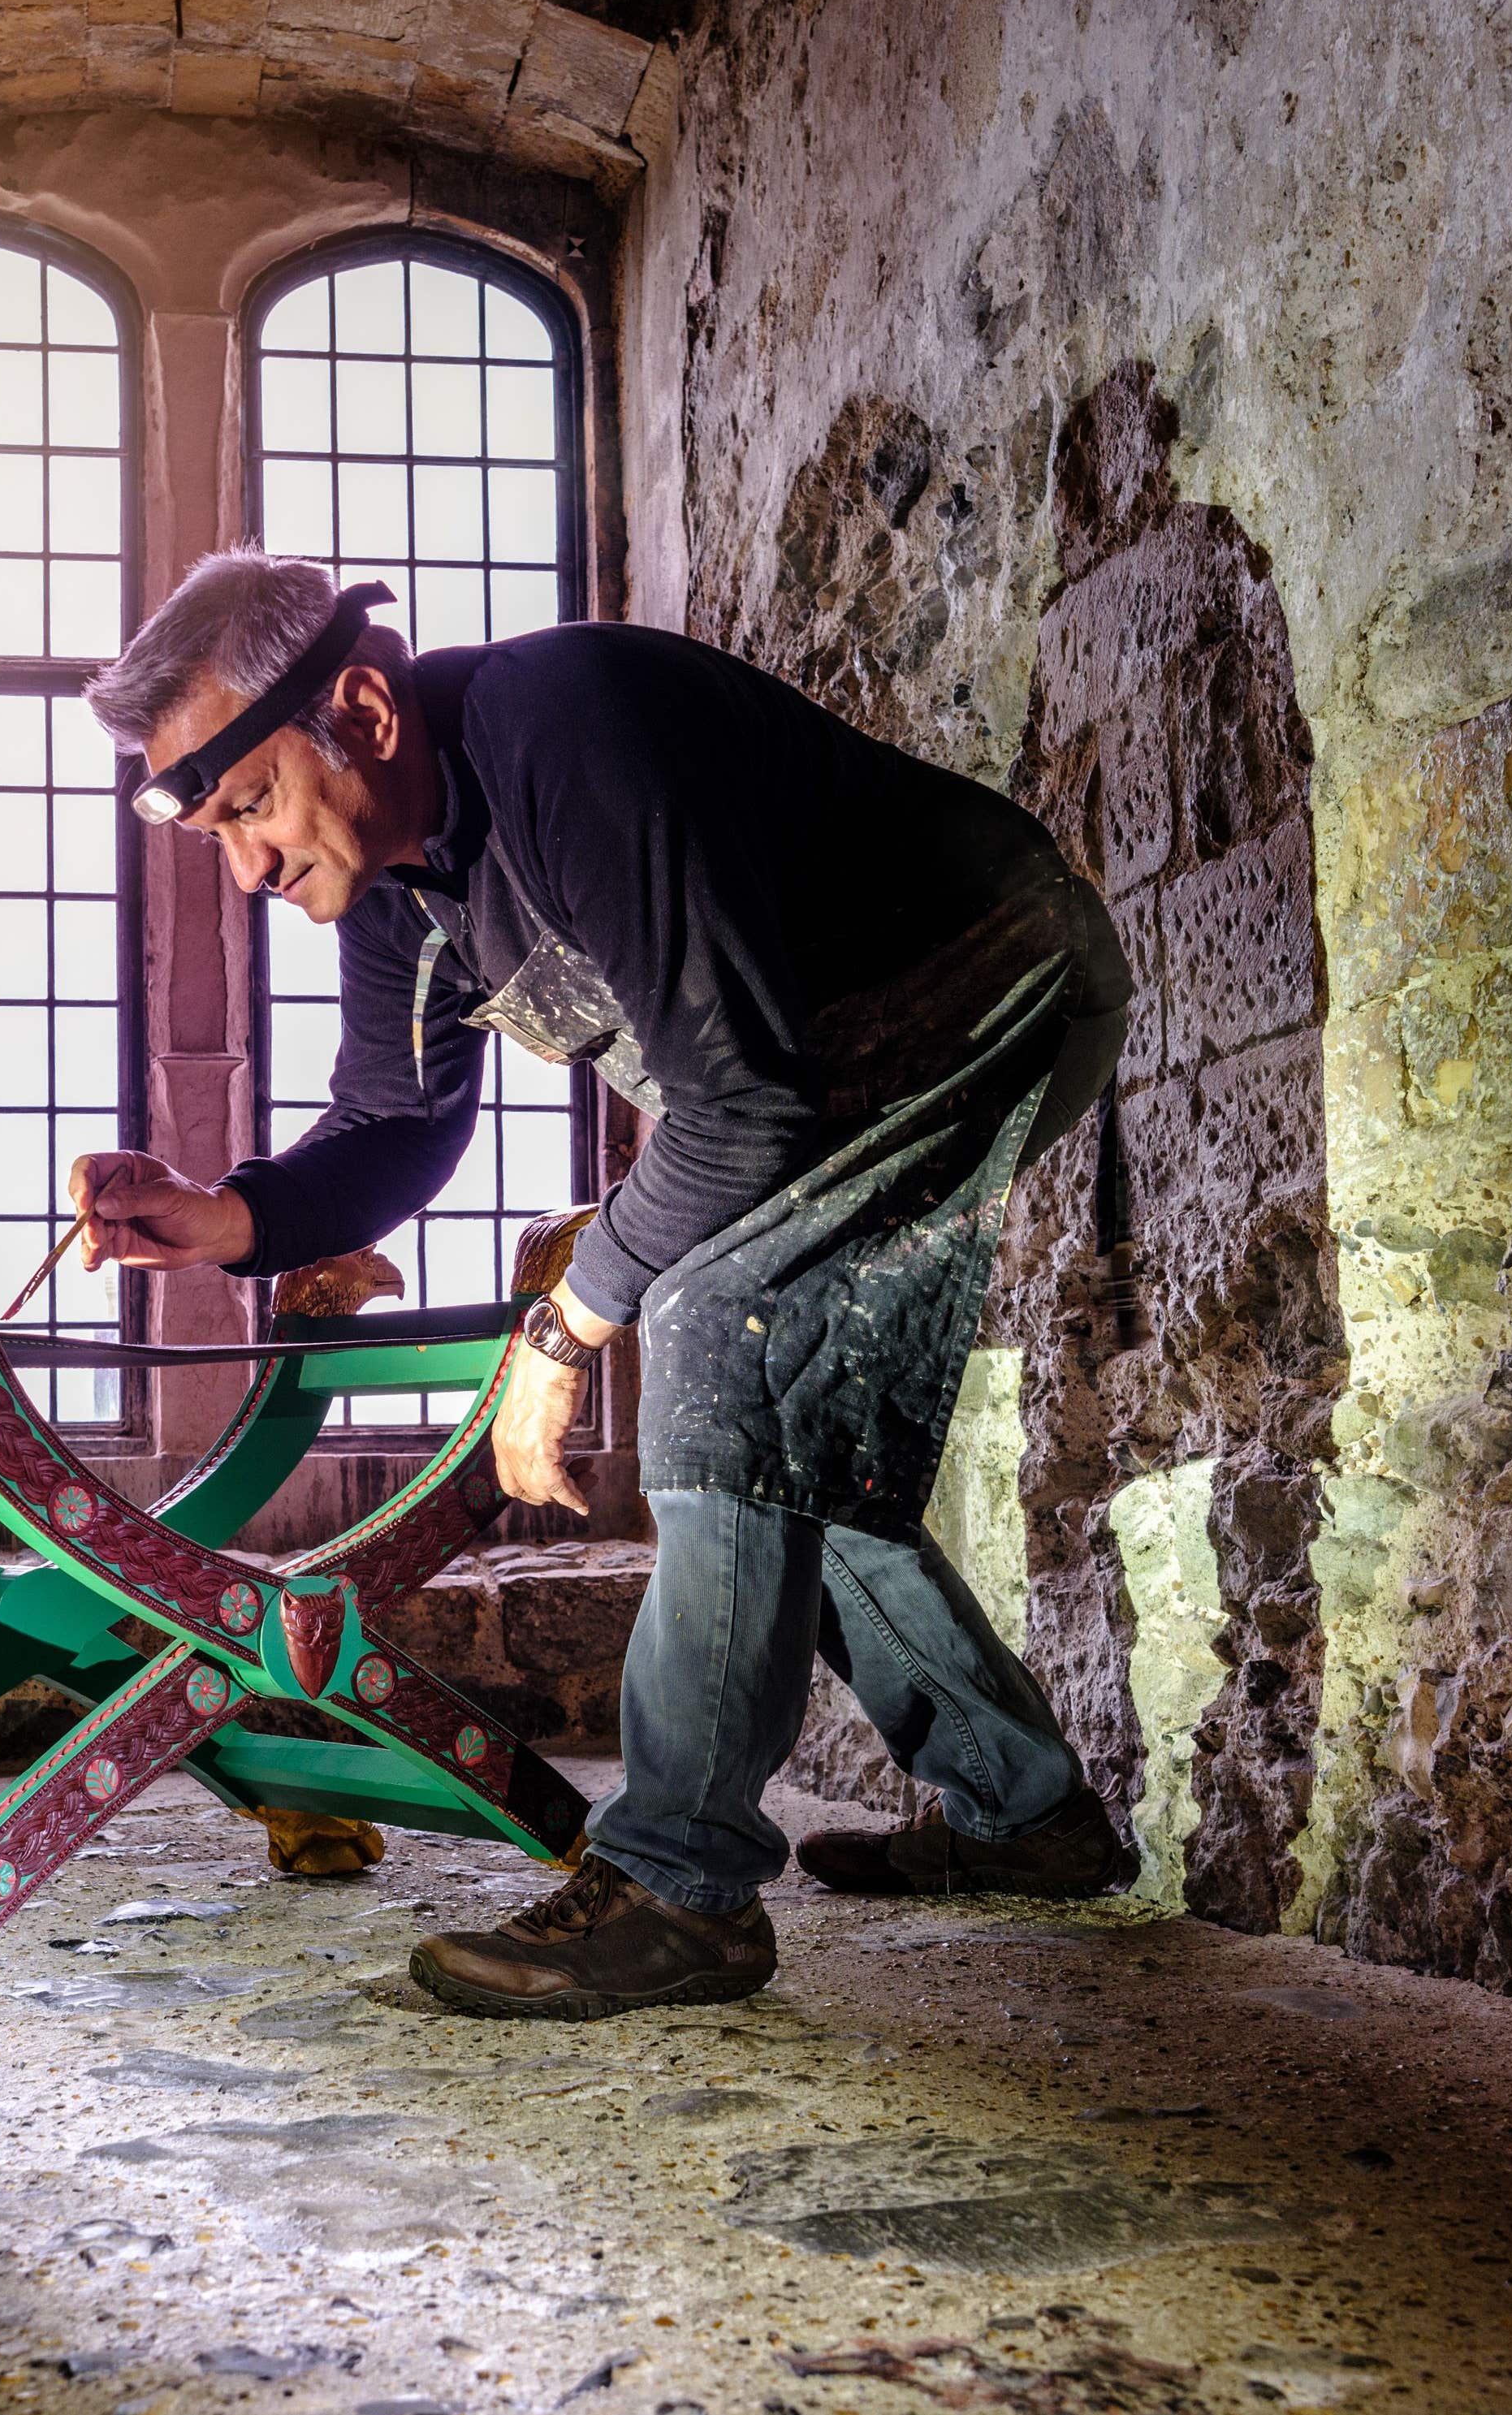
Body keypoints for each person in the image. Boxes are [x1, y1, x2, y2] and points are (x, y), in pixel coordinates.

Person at [62, 554, 1138, 2018]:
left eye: (249, 807)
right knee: (774, 1410)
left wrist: (565, 1324)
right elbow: (392, 1131)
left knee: (709, 1323)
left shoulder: (565, 723)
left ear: (362, 711)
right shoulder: (390, 885)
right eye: (213, 832)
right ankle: (1030, 1816)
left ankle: (681, 1891)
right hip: (810, 1069)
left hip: (985, 980)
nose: (244, 868)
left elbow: (744, 1105)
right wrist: (218, 1217)